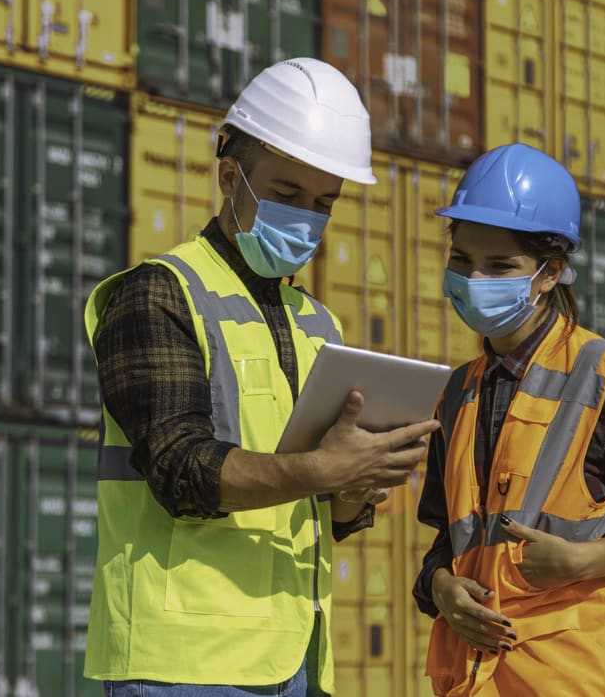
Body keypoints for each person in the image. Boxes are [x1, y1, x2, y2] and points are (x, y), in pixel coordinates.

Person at [82, 57, 439, 696]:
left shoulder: (319, 325)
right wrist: (326, 469)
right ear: (229, 174)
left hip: (297, 660)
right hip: (180, 669)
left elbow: (326, 513)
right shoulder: (157, 295)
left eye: (324, 203)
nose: (308, 217)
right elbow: (179, 470)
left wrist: (359, 482)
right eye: (287, 194)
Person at [413, 143, 605, 697]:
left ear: (550, 273)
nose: (474, 277)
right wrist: (439, 587)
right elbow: (447, 540)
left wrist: (584, 560)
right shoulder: (458, 392)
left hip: (582, 678)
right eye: (461, 260)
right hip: (477, 680)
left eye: (499, 266)